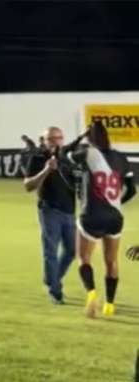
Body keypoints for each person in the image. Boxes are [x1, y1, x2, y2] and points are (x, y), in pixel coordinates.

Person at [70, 120, 136, 317]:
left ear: (90, 136)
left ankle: (91, 293)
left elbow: (66, 153)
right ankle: (110, 304)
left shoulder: (88, 153)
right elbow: (131, 190)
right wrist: (116, 201)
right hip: (114, 216)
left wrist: (80, 138)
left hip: (92, 214)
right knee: (112, 262)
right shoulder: (122, 159)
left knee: (83, 258)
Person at [22, 126, 78, 304]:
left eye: (59, 138)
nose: (56, 142)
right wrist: (46, 170)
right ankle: (56, 291)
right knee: (51, 252)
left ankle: (52, 278)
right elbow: (28, 186)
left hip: (69, 211)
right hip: (49, 210)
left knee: (71, 250)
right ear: (44, 141)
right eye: (51, 139)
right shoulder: (37, 158)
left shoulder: (67, 159)